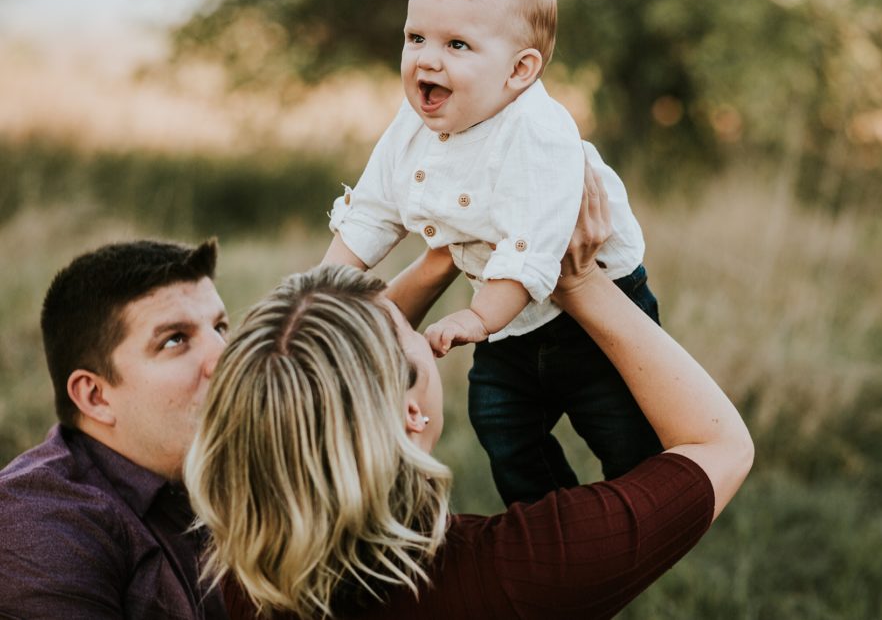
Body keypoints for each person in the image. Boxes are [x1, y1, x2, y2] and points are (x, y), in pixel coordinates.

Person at [187, 170, 755, 619]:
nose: (412, 324)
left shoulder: (236, 574)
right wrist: (577, 282)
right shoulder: (522, 572)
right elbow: (720, 446)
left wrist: (448, 251)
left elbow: (328, 366)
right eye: (410, 338)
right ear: (411, 414)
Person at [323, 0, 663, 506]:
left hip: (589, 311)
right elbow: (375, 208)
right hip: (508, 323)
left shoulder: (536, 130)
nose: (427, 59)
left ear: (520, 70)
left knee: (624, 431)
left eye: (457, 44)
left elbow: (534, 244)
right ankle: (549, 517)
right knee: (499, 419)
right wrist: (322, 287)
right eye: (416, 39)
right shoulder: (412, 124)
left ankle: (641, 512)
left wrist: (480, 316)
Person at [0, 239, 232, 619]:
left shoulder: (212, 469)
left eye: (220, 327)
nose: (225, 356)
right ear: (95, 396)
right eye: (175, 339)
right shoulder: (40, 526)